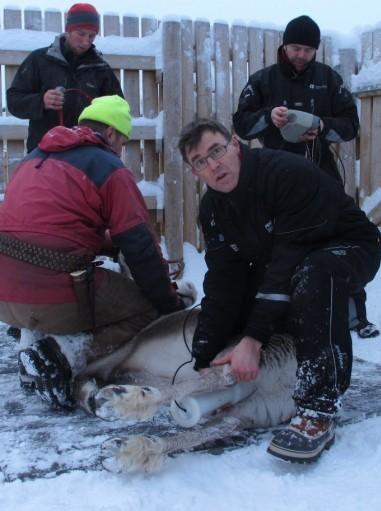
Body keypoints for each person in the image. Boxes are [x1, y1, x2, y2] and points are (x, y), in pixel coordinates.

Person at [178, 118, 381, 463]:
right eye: (200, 161)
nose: (213, 164)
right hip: (287, 258)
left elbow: (288, 260)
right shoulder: (214, 209)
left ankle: (318, 409)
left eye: (217, 150)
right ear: (194, 172)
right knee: (253, 297)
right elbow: (223, 282)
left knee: (313, 274)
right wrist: (202, 361)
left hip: (346, 246)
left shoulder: (284, 173)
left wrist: (253, 340)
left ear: (235, 145)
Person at [0, 95, 195, 410]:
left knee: (73, 284)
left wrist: (105, 242)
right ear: (112, 133)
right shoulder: (107, 165)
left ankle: (36, 346)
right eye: (123, 142)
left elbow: (47, 228)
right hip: (50, 296)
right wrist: (169, 304)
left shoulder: (34, 157)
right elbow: (141, 248)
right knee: (146, 309)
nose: (121, 151)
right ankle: (61, 355)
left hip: (5, 296)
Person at [233, 15, 378, 338]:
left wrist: (324, 126)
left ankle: (357, 315)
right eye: (296, 47)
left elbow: (351, 126)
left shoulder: (329, 79)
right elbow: (241, 125)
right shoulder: (262, 80)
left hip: (321, 174)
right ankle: (280, 315)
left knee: (339, 238)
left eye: (308, 50)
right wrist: (268, 117)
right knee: (277, 243)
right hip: (274, 177)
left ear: (316, 51)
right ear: (284, 45)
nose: (301, 55)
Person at [6, 3, 123, 153]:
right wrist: (41, 101)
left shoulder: (101, 69)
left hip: (86, 156)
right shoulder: (39, 60)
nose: (86, 41)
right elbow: (14, 101)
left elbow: (118, 107)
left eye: (91, 36)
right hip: (45, 155)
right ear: (68, 30)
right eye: (81, 33)